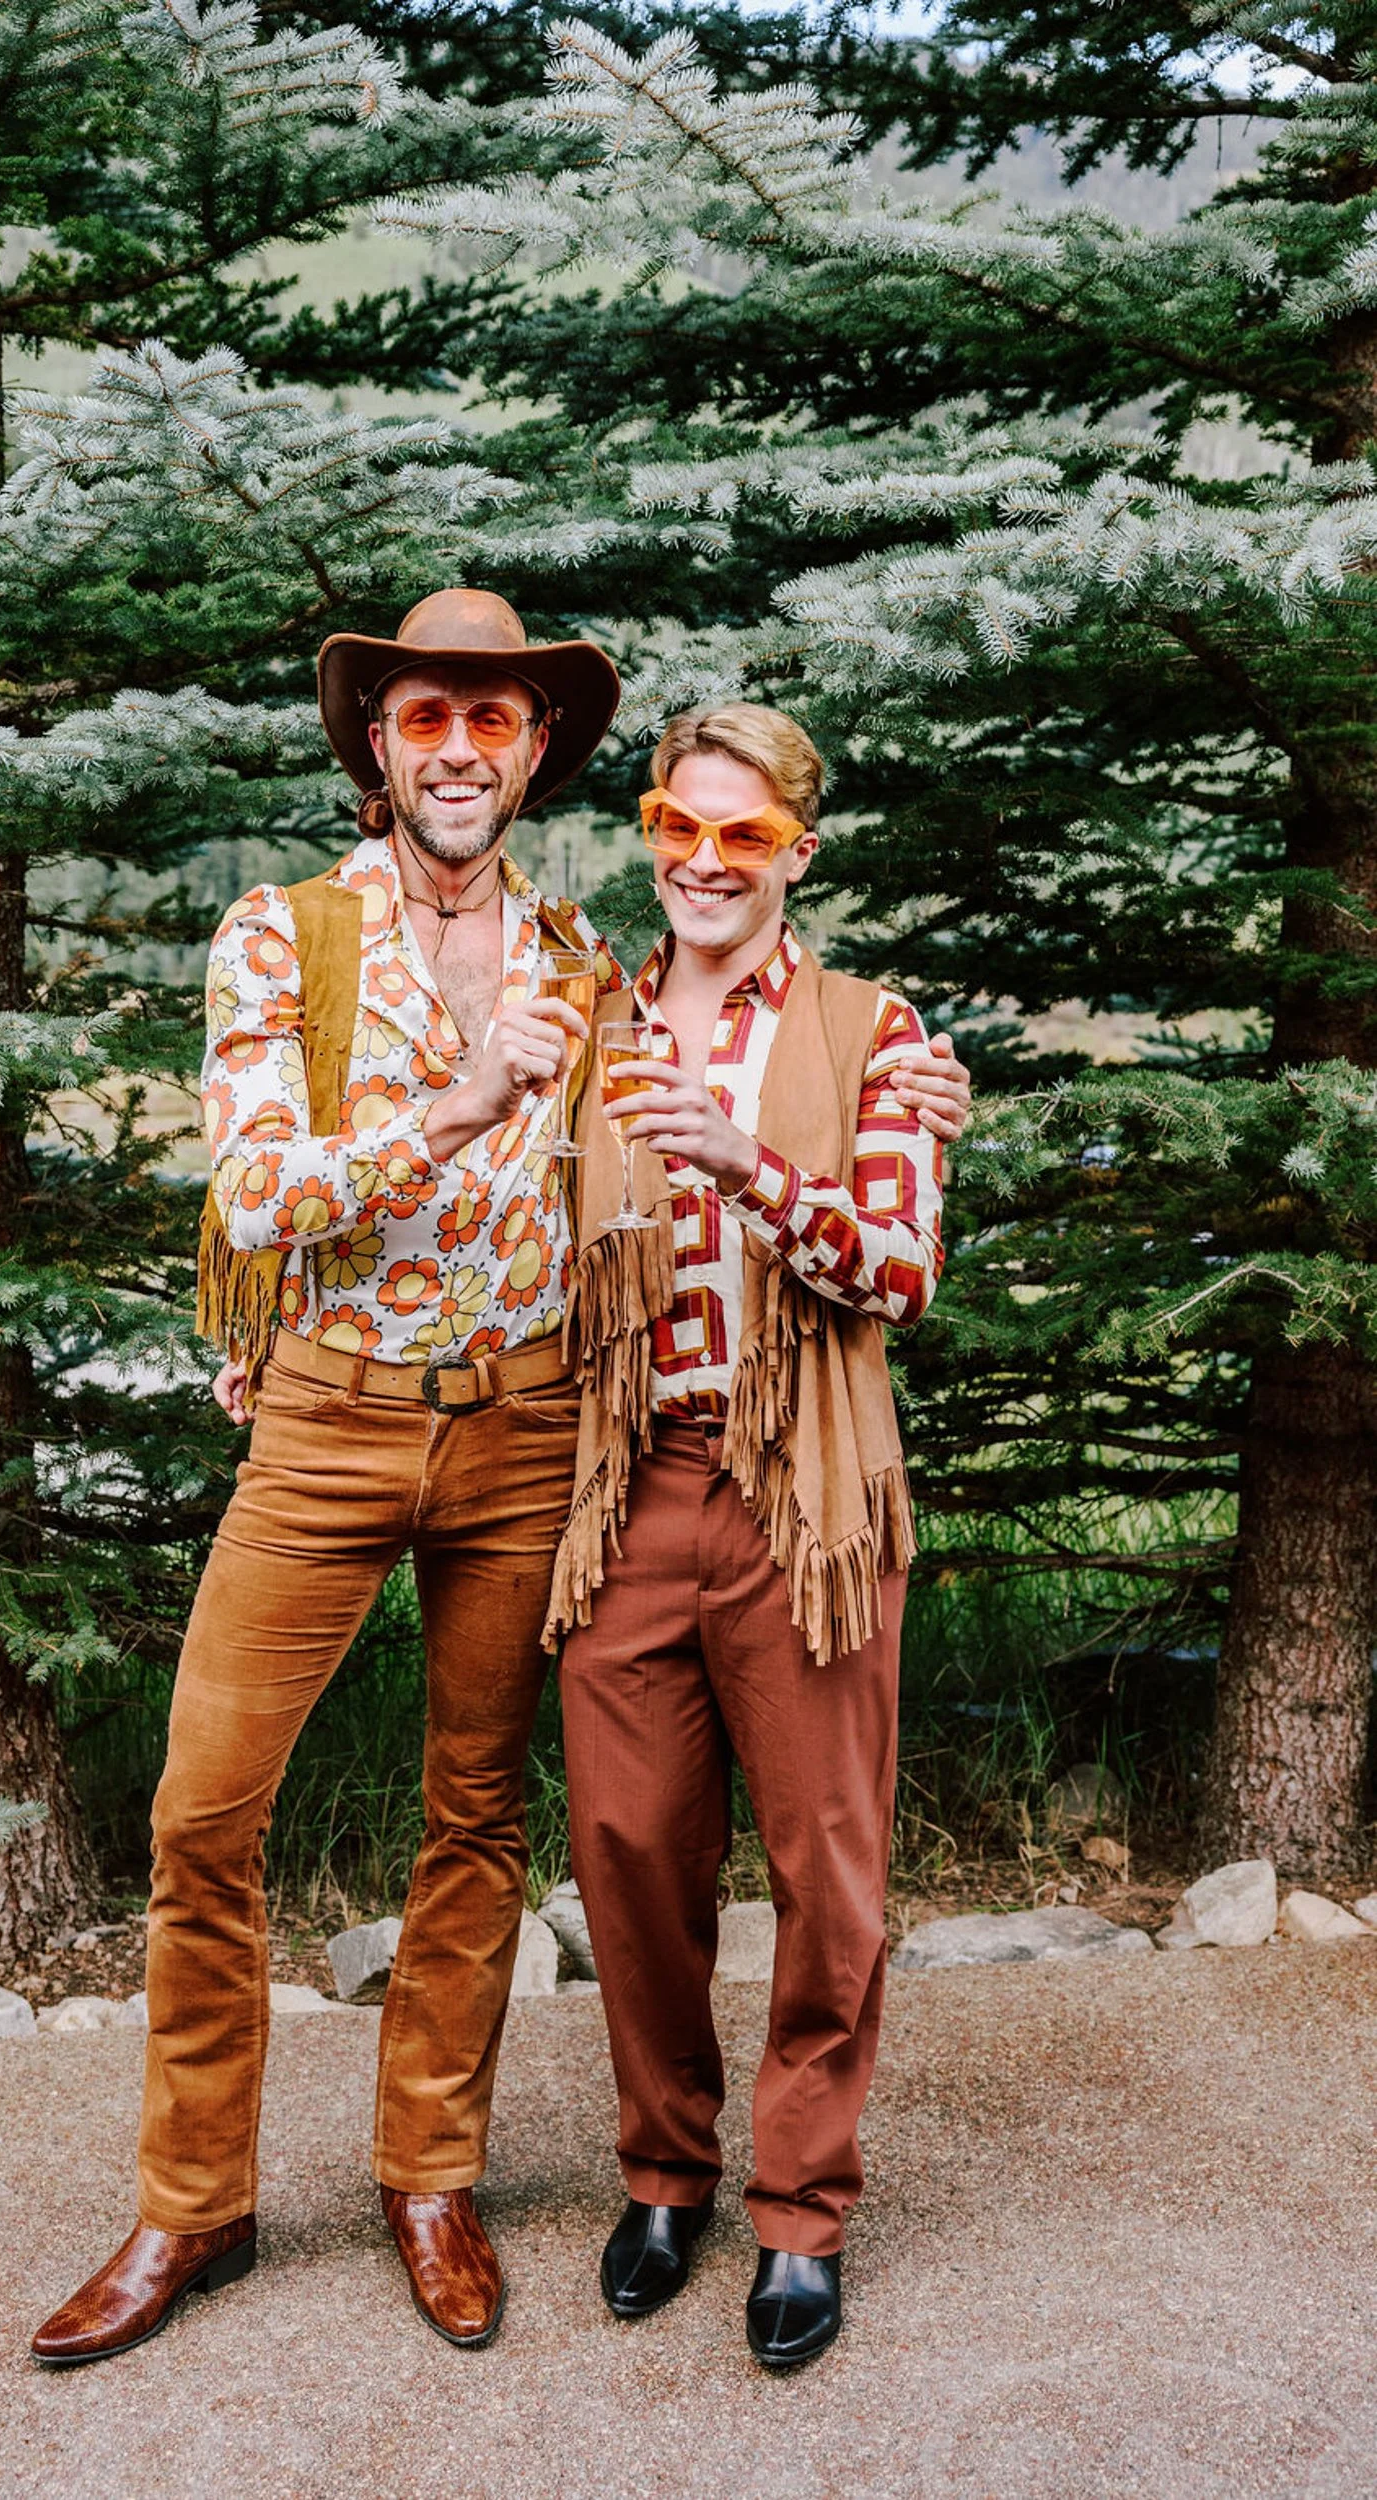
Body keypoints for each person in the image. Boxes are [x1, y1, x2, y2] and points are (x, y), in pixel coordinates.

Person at [30, 599, 968, 2368]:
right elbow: (251, 1196)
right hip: (328, 1423)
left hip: (536, 1429)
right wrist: (449, 1115)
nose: (462, 748)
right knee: (201, 1813)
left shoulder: (580, 959)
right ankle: (190, 2208)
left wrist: (900, 1068)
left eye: (498, 723)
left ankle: (433, 2183)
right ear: (377, 741)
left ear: (538, 757)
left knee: (480, 1813)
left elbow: (709, 1125)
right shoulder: (279, 934)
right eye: (428, 717)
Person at [548, 702, 945, 2372]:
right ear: (653, 829)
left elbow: (903, 1274)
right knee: (631, 1854)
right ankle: (664, 2173)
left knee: (825, 1869)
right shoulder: (586, 1017)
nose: (705, 863)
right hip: (629, 1485)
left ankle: (801, 2210)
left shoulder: (877, 1027)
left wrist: (754, 1169)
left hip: (807, 1500)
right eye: (678, 825)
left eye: (745, 836)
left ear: (798, 849)